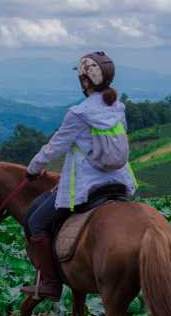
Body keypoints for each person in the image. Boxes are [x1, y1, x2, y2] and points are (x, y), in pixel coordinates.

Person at [21, 51, 137, 299]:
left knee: (36, 222)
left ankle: (50, 283)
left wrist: (32, 168)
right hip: (119, 182)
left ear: (86, 81)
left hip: (86, 187)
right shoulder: (118, 107)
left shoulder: (78, 113)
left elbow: (55, 146)